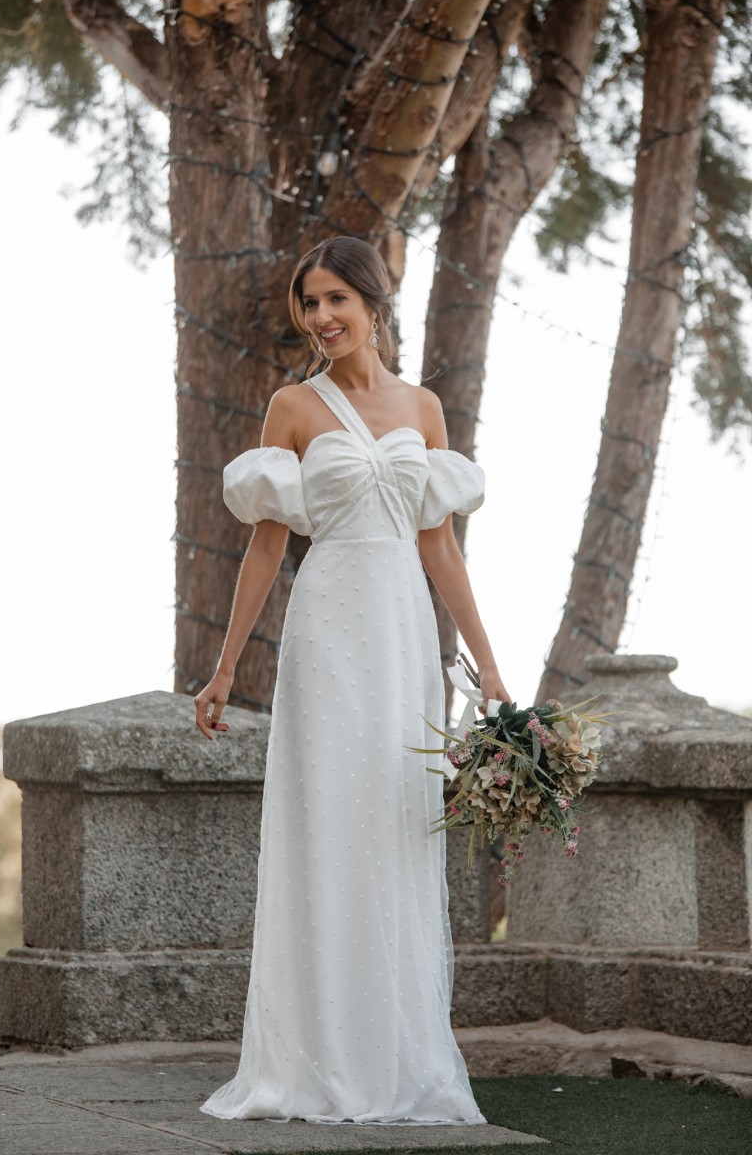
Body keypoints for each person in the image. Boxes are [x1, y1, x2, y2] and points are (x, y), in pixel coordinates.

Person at [195, 235, 510, 1126]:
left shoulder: (423, 407)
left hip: (404, 631)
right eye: (309, 302)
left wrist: (486, 664)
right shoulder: (292, 405)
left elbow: (438, 543)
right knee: (330, 823)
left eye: (337, 299)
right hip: (327, 626)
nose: (322, 317)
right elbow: (265, 543)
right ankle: (320, 1058)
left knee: (398, 823)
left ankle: (400, 1054)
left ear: (374, 303)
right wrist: (224, 670)